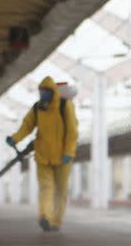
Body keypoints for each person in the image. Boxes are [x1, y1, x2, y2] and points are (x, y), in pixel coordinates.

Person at [6, 77, 78, 232]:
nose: (42, 95)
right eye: (41, 92)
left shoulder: (65, 106)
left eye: (46, 92)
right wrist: (15, 138)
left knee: (61, 190)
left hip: (63, 157)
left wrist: (69, 151)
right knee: (46, 188)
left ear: (53, 92)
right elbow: (27, 126)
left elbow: (72, 131)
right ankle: (44, 216)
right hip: (43, 156)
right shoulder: (37, 108)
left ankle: (56, 221)